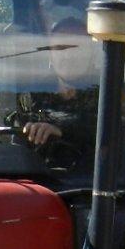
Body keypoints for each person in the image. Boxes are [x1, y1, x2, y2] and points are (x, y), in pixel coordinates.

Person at [19, 16, 101, 154]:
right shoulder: (33, 94)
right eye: (59, 48)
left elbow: (114, 132)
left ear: (92, 54)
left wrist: (63, 130)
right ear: (50, 54)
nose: (68, 56)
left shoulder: (107, 92)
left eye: (76, 48)